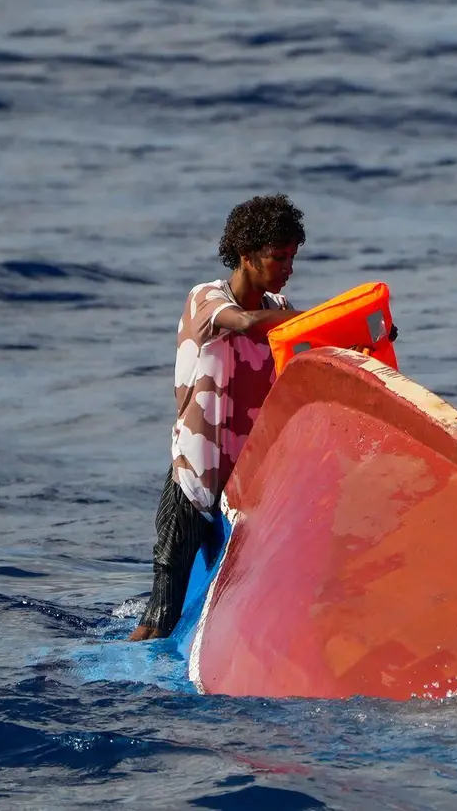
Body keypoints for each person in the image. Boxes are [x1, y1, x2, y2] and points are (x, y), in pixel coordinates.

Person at [127, 195, 306, 641]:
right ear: (246, 256)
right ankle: (120, 678)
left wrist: (363, 337)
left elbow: (313, 355)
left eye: (292, 257)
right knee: (159, 616)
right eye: (278, 257)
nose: (288, 267)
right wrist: (308, 320)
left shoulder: (280, 311)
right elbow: (244, 324)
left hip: (240, 493)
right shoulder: (206, 299)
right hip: (192, 483)